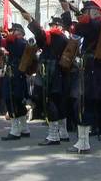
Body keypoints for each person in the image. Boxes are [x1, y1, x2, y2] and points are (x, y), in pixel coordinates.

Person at [61, 0, 101, 154]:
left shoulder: (94, 25)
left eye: (85, 11)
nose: (84, 14)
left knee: (84, 104)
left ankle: (83, 143)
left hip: (92, 68)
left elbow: (71, 28)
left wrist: (67, 11)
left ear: (93, 12)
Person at [26, 15, 71, 145]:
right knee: (59, 103)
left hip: (52, 74)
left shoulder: (57, 37)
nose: (51, 27)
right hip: (59, 74)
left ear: (59, 27)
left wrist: (30, 21)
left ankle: (53, 136)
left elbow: (40, 35)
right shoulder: (61, 38)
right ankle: (63, 133)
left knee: (50, 102)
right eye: (51, 25)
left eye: (53, 25)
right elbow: (41, 39)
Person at [0, 22, 32, 141]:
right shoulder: (20, 43)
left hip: (15, 76)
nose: (12, 33)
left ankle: (15, 130)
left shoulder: (20, 42)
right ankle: (24, 128)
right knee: (17, 101)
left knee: (11, 101)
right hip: (17, 75)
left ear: (20, 33)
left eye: (14, 31)